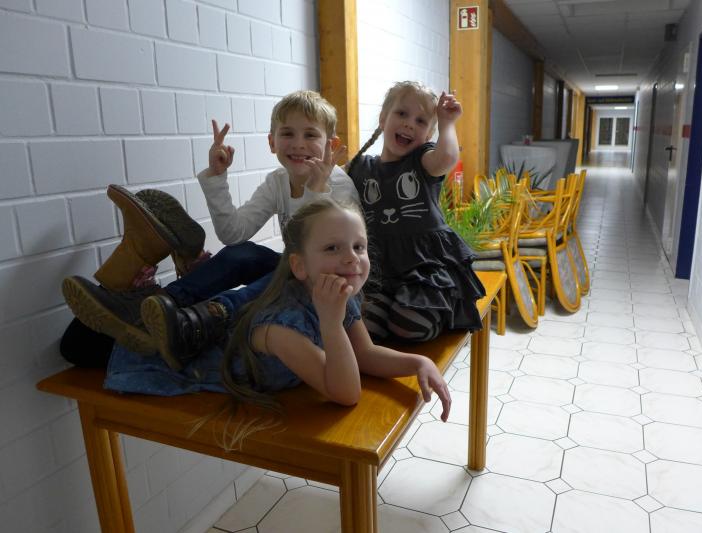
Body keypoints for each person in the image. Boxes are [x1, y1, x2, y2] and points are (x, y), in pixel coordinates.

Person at [62, 90, 357, 370]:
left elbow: (324, 254)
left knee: (284, 274)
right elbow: (233, 233)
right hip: (296, 268)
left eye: (310, 135)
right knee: (243, 253)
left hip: (332, 284)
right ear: (272, 142)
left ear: (330, 145)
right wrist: (218, 178)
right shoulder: (278, 181)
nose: (298, 144)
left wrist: (316, 192)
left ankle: (202, 322)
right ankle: (158, 305)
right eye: (288, 134)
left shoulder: (339, 186)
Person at [104, 198, 452, 424]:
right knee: (83, 344)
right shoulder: (282, 326)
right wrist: (331, 325)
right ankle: (131, 288)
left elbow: (364, 354)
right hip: (152, 356)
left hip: (198, 331)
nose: (351, 258)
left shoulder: (336, 294)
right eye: (333, 248)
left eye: (359, 246)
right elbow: (346, 393)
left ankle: (147, 284)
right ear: (299, 266)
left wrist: (417, 363)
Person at [345, 81, 485, 342]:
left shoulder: (423, 160)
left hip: (423, 269)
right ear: (383, 119)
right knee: (364, 328)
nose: (409, 124)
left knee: (409, 326)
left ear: (429, 134)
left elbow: (447, 159)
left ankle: (438, 309)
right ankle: (391, 311)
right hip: (379, 269)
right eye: (402, 113)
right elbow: (332, 194)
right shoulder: (360, 166)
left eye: (421, 121)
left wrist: (447, 123)